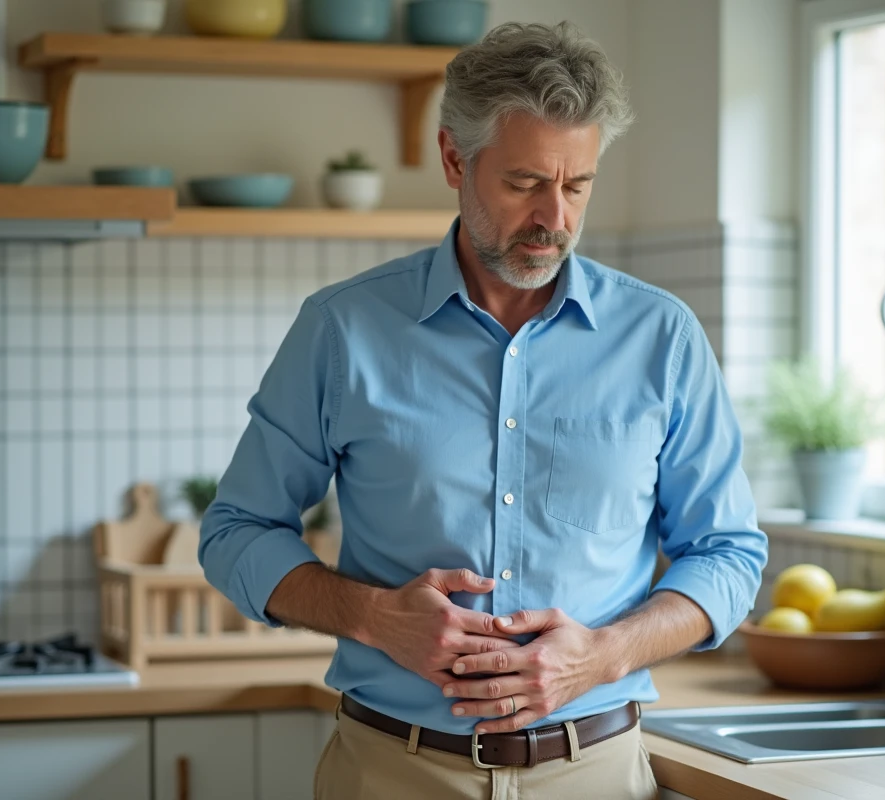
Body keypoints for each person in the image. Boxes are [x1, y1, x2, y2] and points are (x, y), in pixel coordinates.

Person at [200, 20, 768, 800]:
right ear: (454, 158)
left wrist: (603, 655)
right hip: (389, 772)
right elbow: (235, 533)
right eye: (526, 183)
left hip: (595, 775)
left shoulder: (660, 336)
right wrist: (372, 616)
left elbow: (729, 553)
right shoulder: (342, 330)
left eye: (577, 186)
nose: (555, 219)